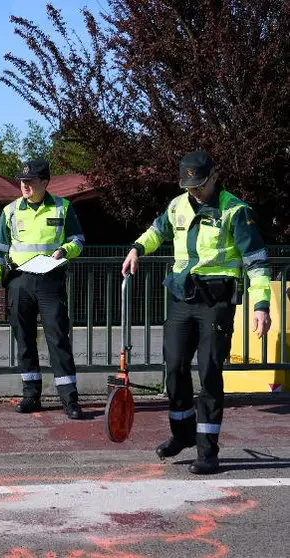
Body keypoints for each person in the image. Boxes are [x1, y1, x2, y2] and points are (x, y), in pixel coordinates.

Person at [122, 151, 272, 475]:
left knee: (209, 374)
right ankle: (182, 434)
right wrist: (136, 248)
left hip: (215, 304)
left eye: (200, 185)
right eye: (189, 185)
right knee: (174, 367)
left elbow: (257, 262)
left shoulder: (235, 211)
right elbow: (157, 231)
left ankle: (208, 451)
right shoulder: (177, 205)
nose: (195, 191)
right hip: (181, 297)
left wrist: (261, 306)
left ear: (214, 176)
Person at [0, 159, 86, 419]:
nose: (25, 185)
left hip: (50, 280)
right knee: (24, 340)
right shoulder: (10, 211)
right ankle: (31, 395)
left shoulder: (64, 208)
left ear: (45, 182)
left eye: (30, 181)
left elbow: (78, 240)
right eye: (22, 181)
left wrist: (65, 250)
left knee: (58, 338)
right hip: (19, 280)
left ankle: (70, 400)